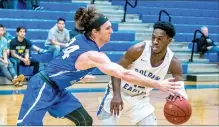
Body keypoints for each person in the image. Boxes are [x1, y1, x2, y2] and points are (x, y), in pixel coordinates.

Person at [17, 7, 182, 126]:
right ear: (95, 32)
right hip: (43, 86)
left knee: (85, 121)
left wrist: (78, 73)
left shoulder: (81, 38)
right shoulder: (94, 55)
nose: (111, 31)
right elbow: (124, 74)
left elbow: (67, 59)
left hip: (59, 89)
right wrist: (159, 84)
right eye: (107, 28)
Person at [97, 21, 188, 125]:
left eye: (160, 39)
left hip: (140, 99)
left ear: (169, 40)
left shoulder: (173, 62)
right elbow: (115, 71)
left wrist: (177, 96)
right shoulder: (138, 50)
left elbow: (181, 90)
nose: (155, 41)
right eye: (153, 37)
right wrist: (116, 95)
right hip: (117, 93)